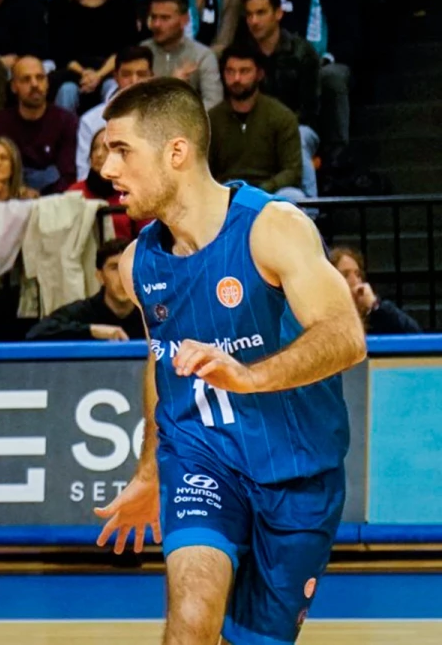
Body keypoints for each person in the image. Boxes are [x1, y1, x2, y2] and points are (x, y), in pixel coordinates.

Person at [92, 78, 367, 645]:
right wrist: (149, 471)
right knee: (190, 624)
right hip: (201, 459)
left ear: (176, 151)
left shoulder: (273, 228)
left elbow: (345, 336)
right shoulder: (137, 261)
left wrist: (249, 376)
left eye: (121, 151)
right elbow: (159, 362)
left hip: (297, 471)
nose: (106, 169)